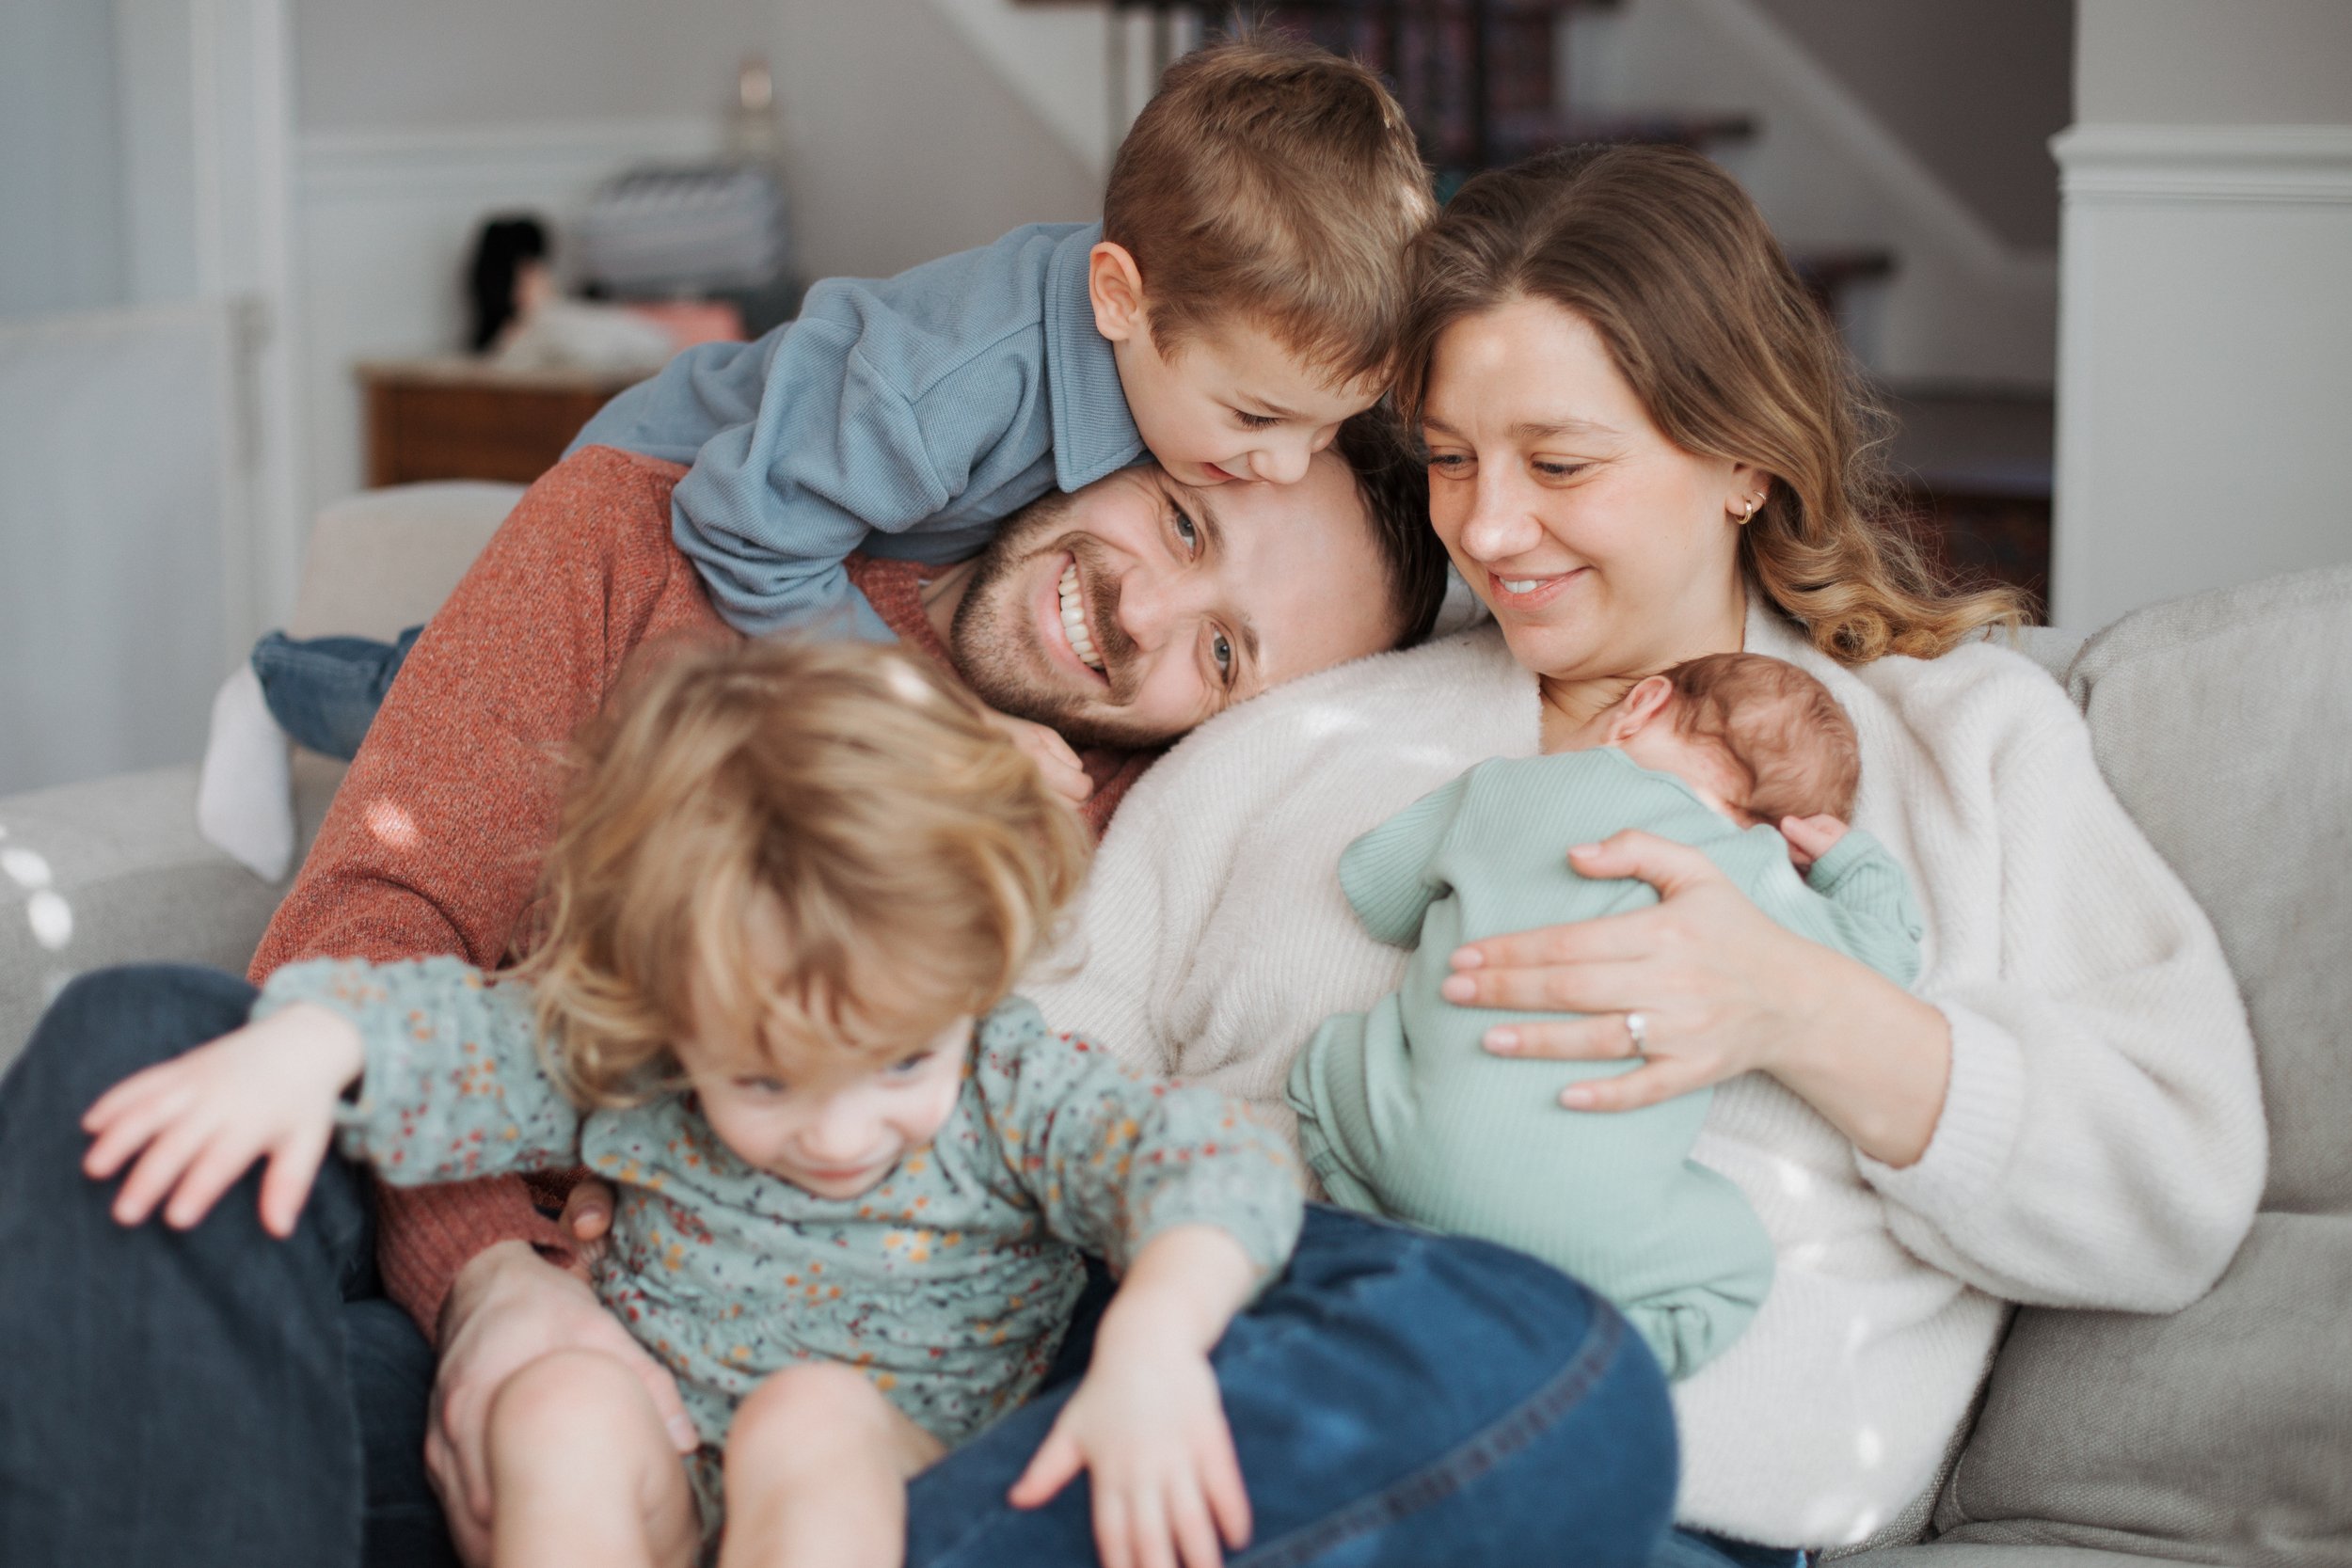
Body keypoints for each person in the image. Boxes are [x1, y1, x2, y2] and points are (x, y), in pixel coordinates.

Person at [0, 428, 1673, 1562]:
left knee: (1551, 1373)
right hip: (513, 1353)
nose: (1143, 612)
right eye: (1179, 520)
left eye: (1226, 653)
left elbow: (1179, 1155)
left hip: (925, 1436)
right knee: (132, 1051)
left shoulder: (1102, 850)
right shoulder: (655, 528)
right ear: (1120, 412)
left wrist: (1157, 1332)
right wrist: (493, 1291)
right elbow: (414, 980)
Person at [1023, 142, 2265, 1567]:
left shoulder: (1959, 749)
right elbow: (1051, 1048)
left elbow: (2172, 1181)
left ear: (1740, 457)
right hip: (1221, 1385)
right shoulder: (1301, 732)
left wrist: (1797, 1002)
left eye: (1559, 462)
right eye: (1448, 457)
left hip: (1643, 1481)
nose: (1486, 527)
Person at [84, 638, 1308, 1568]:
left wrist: (1153, 1340)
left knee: (808, 1411)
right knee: (557, 1400)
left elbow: (1216, 1162)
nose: (836, 1132)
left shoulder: (1007, 1080)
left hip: (891, 1494)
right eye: (765, 1080)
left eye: (896, 1065)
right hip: (662, 1483)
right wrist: (306, 1042)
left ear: (973, 976)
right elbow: (456, 1032)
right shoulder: (648, 1048)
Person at [199, 33, 1435, 865]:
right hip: (682, 487)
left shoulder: (1175, 361)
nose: (1283, 464)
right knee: (462, 710)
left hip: (771, 506)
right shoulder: (951, 386)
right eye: (1261, 423)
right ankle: (273, 681)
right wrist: (932, 711)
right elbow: (747, 530)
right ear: (1119, 298)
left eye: (1324, 429)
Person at [1288, 652, 1923, 1383]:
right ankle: (1575, 1364)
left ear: (1642, 704)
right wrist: (1855, 868)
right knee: (1733, 1268)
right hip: (1581, 1224)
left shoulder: (1507, 783)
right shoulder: (1749, 875)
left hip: (1401, 1139)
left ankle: (1385, 1214)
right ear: (1787, 834)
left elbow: (1374, 887)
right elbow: (1882, 971)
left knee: (1323, 1057)